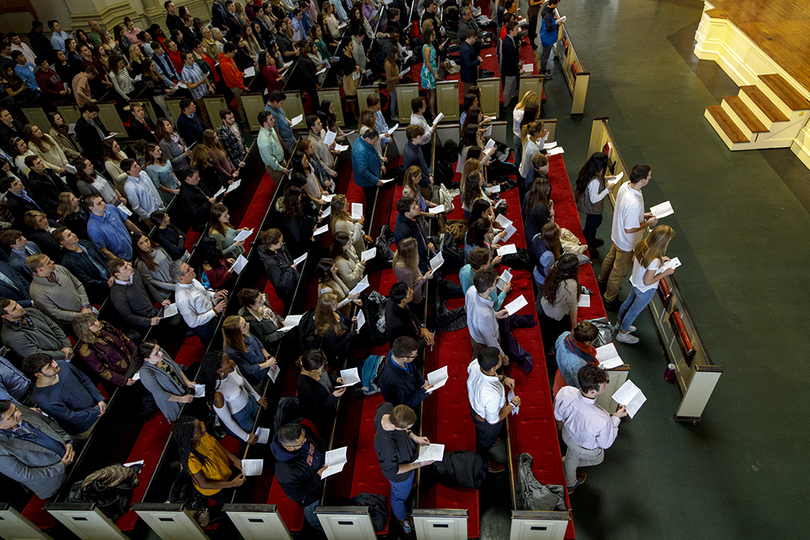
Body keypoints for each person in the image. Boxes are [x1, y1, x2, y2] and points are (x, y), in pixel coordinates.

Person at [554, 364, 627, 493]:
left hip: (567, 434)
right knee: (598, 458)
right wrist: (616, 417)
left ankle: (568, 469)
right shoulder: (603, 418)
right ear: (592, 391)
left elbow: (558, 415)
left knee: (572, 455)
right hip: (583, 447)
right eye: (605, 384)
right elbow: (606, 443)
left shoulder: (566, 391)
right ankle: (570, 482)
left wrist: (560, 431)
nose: (606, 385)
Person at [599, 164, 658, 310]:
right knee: (619, 272)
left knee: (611, 257)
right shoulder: (634, 203)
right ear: (643, 180)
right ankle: (609, 298)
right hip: (627, 242)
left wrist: (643, 215)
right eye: (649, 176)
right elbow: (630, 228)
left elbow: (626, 214)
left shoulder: (626, 186)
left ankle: (602, 281)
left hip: (617, 234)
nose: (651, 177)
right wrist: (648, 223)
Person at [374, 402, 433, 533]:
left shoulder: (387, 408)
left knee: (406, 487)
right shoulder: (386, 447)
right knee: (398, 497)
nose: (409, 429)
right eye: (407, 427)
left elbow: (405, 429)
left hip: (408, 461)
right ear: (396, 426)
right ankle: (402, 516)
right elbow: (393, 470)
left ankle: (408, 486)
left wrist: (415, 437)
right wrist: (419, 464)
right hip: (400, 477)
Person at [0, 400, 75, 499]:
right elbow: (26, 475)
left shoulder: (19, 408)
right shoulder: (2, 448)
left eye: (15, 409)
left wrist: (67, 441)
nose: (19, 413)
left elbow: (47, 421)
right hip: (56, 481)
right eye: (12, 416)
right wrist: (62, 466)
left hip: (72, 452)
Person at [615, 225, 676, 344]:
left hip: (635, 282)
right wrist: (665, 272)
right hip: (645, 290)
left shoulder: (642, 244)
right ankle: (622, 334)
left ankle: (619, 324)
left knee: (628, 303)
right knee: (633, 312)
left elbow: (634, 260)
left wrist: (660, 260)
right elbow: (648, 281)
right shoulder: (655, 260)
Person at [22, 354, 105, 438]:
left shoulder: (63, 364)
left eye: (52, 360)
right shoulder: (44, 399)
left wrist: (99, 398)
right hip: (87, 427)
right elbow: (70, 417)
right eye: (49, 366)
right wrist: (96, 410)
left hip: (99, 407)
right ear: (39, 375)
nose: (55, 364)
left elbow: (84, 379)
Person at [171, 415, 246, 507]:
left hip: (224, 470)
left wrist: (234, 458)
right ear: (191, 438)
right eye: (200, 429)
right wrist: (231, 484)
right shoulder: (191, 459)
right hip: (217, 487)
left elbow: (215, 446)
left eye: (201, 424)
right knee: (234, 503)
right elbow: (204, 484)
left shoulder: (201, 434)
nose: (204, 428)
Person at [467, 346, 519, 472]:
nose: (502, 358)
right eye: (500, 359)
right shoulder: (491, 394)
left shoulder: (476, 364)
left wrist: (503, 378)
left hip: (476, 406)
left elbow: (488, 375)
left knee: (487, 436)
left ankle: (489, 439)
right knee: (485, 441)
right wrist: (512, 404)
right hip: (486, 421)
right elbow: (493, 420)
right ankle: (485, 461)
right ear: (494, 367)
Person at [271, 423, 327, 532]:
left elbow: (317, 445)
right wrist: (318, 477)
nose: (305, 440)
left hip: (323, 473)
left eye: (304, 437)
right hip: (311, 497)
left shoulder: (300, 432)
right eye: (301, 442)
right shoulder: (285, 471)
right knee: (318, 521)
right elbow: (297, 494)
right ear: (289, 448)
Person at [200, 350, 266, 444]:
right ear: (219, 370)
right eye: (227, 361)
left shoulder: (232, 368)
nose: (231, 361)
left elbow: (243, 381)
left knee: (263, 421)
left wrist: (257, 397)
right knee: (257, 436)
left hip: (250, 400)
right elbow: (228, 422)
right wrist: (246, 437)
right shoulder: (218, 394)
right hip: (240, 416)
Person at [26, 254, 92, 331]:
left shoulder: (59, 268)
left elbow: (78, 284)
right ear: (40, 269)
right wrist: (81, 316)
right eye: (48, 263)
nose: (52, 262)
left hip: (87, 311)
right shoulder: (36, 291)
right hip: (74, 324)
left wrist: (85, 305)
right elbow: (55, 313)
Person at [137, 340, 197, 422]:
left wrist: (187, 381)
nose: (160, 353)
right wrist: (182, 399)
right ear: (147, 359)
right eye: (156, 354)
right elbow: (160, 394)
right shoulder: (146, 374)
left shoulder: (161, 353)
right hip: (174, 401)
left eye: (159, 349)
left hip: (182, 388)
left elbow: (175, 366)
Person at [575, 152, 620, 259]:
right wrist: (608, 189)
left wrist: (606, 179)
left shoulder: (590, 171)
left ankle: (592, 239)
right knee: (590, 226)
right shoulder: (594, 181)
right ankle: (587, 245)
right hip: (592, 208)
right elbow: (594, 199)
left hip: (591, 207)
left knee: (596, 222)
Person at [72, 313, 137, 387]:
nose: (97, 323)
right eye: (92, 324)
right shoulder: (85, 349)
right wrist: (123, 380)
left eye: (95, 319)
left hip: (133, 361)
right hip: (123, 376)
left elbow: (124, 338)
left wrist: (138, 354)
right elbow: (102, 371)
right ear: (85, 331)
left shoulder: (105, 325)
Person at [108, 258, 171, 332]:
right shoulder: (117, 295)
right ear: (117, 274)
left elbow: (147, 285)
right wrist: (149, 321)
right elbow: (128, 316)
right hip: (144, 324)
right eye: (125, 268)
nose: (129, 267)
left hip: (153, 311)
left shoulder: (133, 273)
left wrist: (161, 300)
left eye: (127, 264)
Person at [171, 261, 227, 343]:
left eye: (189, 266)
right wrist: (214, 311)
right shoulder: (183, 299)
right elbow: (193, 322)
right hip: (205, 327)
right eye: (188, 270)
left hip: (212, 314)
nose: (192, 269)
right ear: (180, 278)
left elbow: (203, 292)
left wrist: (214, 295)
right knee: (217, 343)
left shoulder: (192, 280)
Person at [0, 299, 73, 360]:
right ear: (5, 316)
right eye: (14, 309)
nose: (19, 307)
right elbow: (36, 354)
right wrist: (63, 354)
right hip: (53, 364)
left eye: (16, 304)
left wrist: (66, 345)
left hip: (67, 350)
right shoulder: (11, 337)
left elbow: (53, 326)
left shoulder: (31, 311)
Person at [538, 253, 581, 356]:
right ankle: (549, 351)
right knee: (553, 333)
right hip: (555, 314)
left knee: (546, 330)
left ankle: (547, 348)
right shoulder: (570, 285)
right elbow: (573, 307)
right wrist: (574, 327)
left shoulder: (555, 268)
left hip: (545, 304)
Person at [296, 349, 345, 437]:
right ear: (313, 369)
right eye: (321, 368)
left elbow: (326, 374)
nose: (322, 369)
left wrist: (335, 379)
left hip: (330, 404)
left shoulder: (314, 366)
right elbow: (317, 409)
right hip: (323, 419)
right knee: (330, 435)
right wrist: (333, 396)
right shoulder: (306, 387)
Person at [53, 227, 109, 302]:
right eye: (69, 235)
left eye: (71, 232)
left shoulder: (85, 243)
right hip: (102, 291)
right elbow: (86, 281)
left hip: (112, 276)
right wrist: (106, 283)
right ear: (63, 242)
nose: (74, 235)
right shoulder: (68, 262)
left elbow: (104, 257)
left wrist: (113, 273)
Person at [222, 315, 277, 386]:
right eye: (244, 325)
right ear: (237, 333)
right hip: (257, 376)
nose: (248, 324)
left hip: (265, 363)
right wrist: (267, 364)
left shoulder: (245, 332)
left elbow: (256, 341)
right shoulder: (231, 352)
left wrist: (267, 355)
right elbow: (248, 369)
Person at [466, 268, 509, 357]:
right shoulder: (485, 315)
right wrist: (503, 356)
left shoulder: (471, 290)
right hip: (482, 343)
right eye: (495, 283)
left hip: (475, 332)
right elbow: (491, 341)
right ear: (489, 289)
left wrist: (495, 314)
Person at [379, 336, 432, 408]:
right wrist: (423, 393)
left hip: (411, 388)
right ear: (403, 358)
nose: (416, 356)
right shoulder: (393, 382)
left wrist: (421, 382)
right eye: (414, 356)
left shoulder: (395, 352)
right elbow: (403, 404)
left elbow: (413, 371)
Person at [85, 194, 139, 260]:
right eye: (99, 203)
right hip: (125, 258)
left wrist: (141, 234)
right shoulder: (93, 229)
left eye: (102, 200)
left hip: (136, 246)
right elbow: (104, 250)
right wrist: (122, 263)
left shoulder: (111, 208)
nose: (103, 203)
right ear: (91, 208)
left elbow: (127, 222)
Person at [553, 321, 600, 397]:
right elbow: (579, 384)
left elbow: (557, 346)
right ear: (587, 342)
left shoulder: (564, 335)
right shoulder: (579, 365)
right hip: (567, 384)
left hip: (560, 373)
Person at [257, 228, 300, 307]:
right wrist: (291, 270)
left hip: (293, 278)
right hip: (288, 289)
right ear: (272, 245)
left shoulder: (278, 249)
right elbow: (279, 283)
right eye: (280, 243)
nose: (282, 243)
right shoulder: (270, 263)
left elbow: (287, 257)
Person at [385, 282, 434, 349]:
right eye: (410, 292)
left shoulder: (394, 300)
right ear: (403, 301)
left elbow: (409, 313)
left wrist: (421, 327)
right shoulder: (397, 326)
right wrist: (425, 342)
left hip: (412, 332)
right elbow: (408, 347)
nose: (412, 291)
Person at [394, 197, 433, 273]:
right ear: (407, 213)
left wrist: (427, 241)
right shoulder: (404, 231)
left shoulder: (412, 214)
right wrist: (424, 267)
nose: (418, 207)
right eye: (414, 207)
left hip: (422, 249)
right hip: (417, 259)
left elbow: (419, 230)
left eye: (415, 204)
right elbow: (411, 254)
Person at [351, 128, 384, 218]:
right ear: (367, 139)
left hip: (373, 174)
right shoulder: (360, 151)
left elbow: (374, 151)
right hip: (367, 181)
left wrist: (380, 164)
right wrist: (375, 180)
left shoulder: (366, 142)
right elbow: (363, 171)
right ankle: (369, 220)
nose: (376, 143)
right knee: (371, 199)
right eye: (374, 141)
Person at [121, 158, 165, 222]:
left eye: (137, 164)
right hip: (152, 216)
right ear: (128, 171)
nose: (138, 167)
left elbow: (153, 189)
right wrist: (148, 216)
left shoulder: (143, 173)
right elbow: (136, 207)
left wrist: (161, 204)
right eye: (135, 167)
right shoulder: (129, 187)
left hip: (160, 208)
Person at [393, 238, 434, 305]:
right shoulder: (406, 272)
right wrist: (424, 278)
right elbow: (412, 291)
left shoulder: (399, 255)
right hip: (415, 297)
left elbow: (414, 267)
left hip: (414, 280)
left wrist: (419, 276)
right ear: (410, 254)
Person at [257, 111, 288, 182]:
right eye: (271, 119)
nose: (273, 120)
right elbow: (270, 160)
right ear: (265, 123)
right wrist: (282, 169)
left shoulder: (271, 129)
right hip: (275, 168)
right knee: (282, 185)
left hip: (281, 162)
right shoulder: (264, 140)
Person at [403, 124, 433, 196]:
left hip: (423, 176)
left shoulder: (416, 144)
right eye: (420, 135)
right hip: (419, 182)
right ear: (413, 138)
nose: (423, 137)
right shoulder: (411, 155)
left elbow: (422, 161)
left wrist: (429, 174)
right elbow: (417, 174)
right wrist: (428, 181)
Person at [524, 175, 554, 246]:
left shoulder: (528, 194)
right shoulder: (541, 207)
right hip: (535, 233)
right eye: (547, 188)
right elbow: (543, 226)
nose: (549, 188)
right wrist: (549, 214)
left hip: (528, 226)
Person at [501, 21, 523, 107]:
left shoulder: (510, 39)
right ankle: (505, 106)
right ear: (511, 31)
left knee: (513, 86)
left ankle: (509, 101)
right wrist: (518, 69)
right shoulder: (507, 43)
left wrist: (518, 62)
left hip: (512, 69)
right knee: (508, 89)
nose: (518, 30)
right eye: (516, 29)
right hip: (509, 70)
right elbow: (510, 60)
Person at [539, 0, 561, 79]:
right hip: (547, 38)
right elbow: (549, 28)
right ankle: (543, 72)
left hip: (545, 36)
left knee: (545, 54)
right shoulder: (548, 16)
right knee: (545, 56)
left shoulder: (546, 8)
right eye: (557, 4)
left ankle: (543, 69)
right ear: (553, 4)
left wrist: (555, 18)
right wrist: (558, 24)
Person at [459, 29, 482, 96]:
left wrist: (475, 58)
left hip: (469, 74)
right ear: (472, 38)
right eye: (475, 39)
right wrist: (478, 61)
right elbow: (468, 64)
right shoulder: (466, 49)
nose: (475, 41)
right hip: (468, 76)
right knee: (469, 94)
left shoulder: (466, 45)